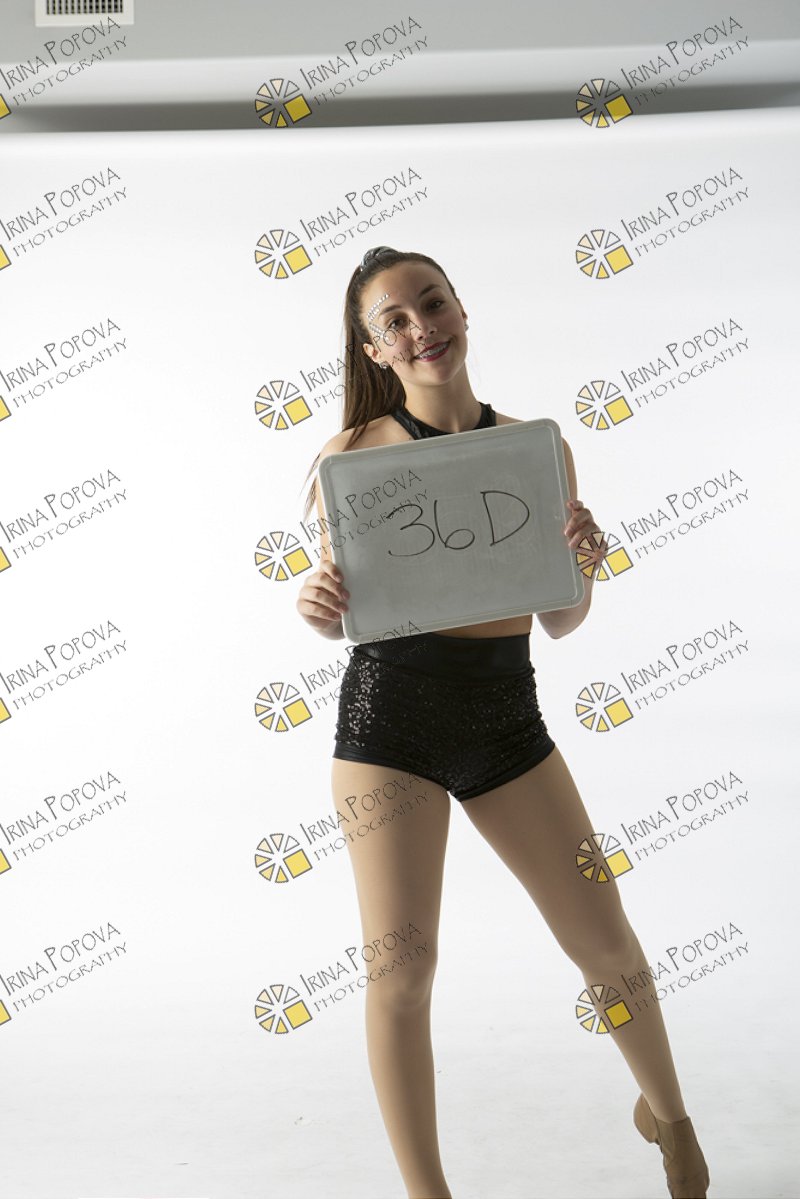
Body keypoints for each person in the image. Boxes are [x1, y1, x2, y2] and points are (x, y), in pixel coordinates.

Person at [296, 245, 710, 1199]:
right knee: (403, 970)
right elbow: (341, 606)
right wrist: (315, 605)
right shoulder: (349, 457)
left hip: (505, 714)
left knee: (605, 940)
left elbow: (558, 620)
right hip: (389, 721)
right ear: (375, 348)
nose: (421, 328)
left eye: (432, 303)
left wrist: (582, 564)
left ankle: (675, 1126)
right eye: (395, 321)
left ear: (461, 309)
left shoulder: (535, 447)